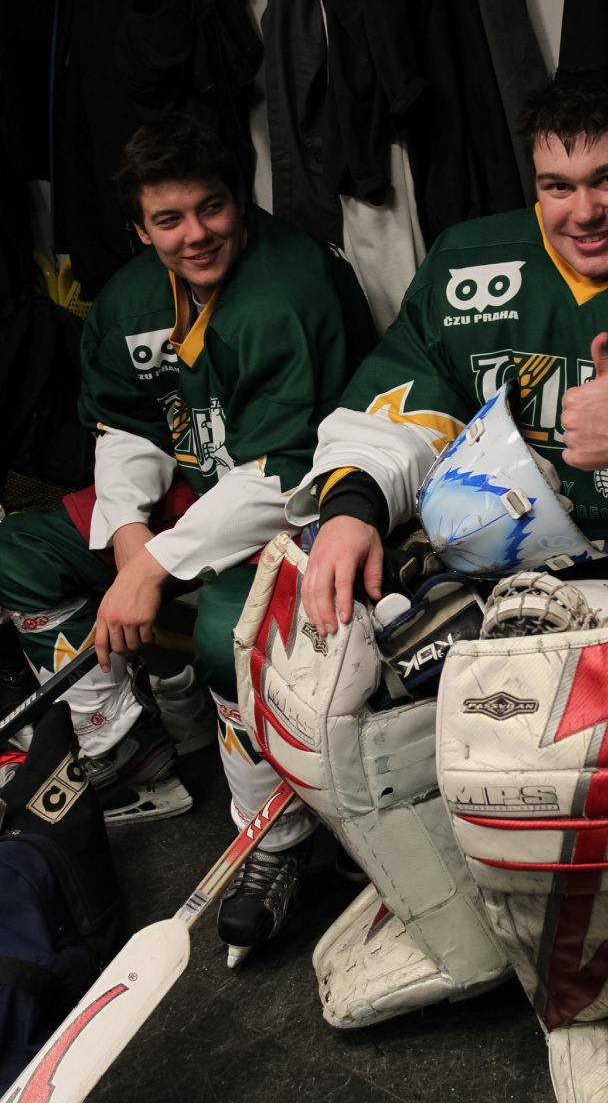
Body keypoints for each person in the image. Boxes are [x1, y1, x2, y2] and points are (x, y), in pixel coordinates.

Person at [0, 114, 373, 959]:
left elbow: (285, 471)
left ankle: (275, 835)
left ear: (238, 199)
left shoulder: (291, 287)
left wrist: (154, 566)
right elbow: (125, 425)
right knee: (18, 558)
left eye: (211, 208)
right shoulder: (133, 295)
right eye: (168, 219)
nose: (195, 234)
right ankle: (123, 749)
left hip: (303, 503)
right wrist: (131, 536)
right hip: (191, 496)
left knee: (223, 634)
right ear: (140, 229)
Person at [288, 65, 608, 625]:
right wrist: (351, 508)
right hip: (494, 574)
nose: (584, 213)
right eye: (559, 186)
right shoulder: (467, 262)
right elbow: (406, 408)